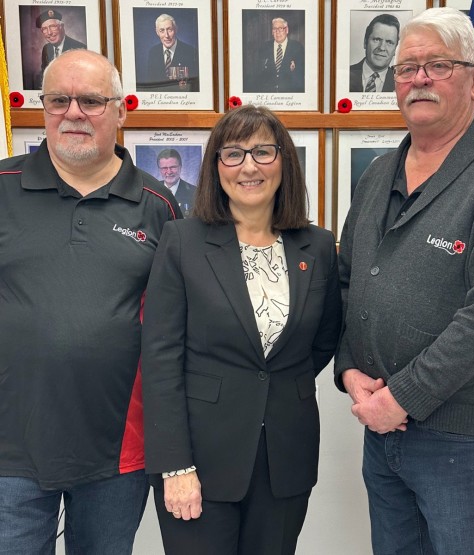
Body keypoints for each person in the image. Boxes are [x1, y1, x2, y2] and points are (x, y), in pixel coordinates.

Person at [335, 7, 474, 555]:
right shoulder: (378, 173)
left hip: (457, 441)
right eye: (407, 68)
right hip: (382, 433)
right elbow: (347, 282)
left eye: (438, 65)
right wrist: (347, 370)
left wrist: (403, 397)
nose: (419, 79)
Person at [0, 49, 181, 554]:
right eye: (59, 99)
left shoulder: (159, 205)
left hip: (116, 454)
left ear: (121, 111)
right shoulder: (1, 187)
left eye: (91, 101)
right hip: (9, 451)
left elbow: (176, 326)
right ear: (43, 108)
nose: (73, 113)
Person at [141, 105, 341, 555]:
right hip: (199, 464)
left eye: (263, 152)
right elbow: (160, 361)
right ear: (216, 167)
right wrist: (174, 466)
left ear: (284, 162)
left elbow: (323, 340)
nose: (249, 166)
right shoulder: (182, 242)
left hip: (285, 460)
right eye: (233, 154)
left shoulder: (319, 245)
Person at [140, 13, 199, 93]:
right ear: (157, 32)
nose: (166, 35)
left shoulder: (191, 52)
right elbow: (150, 86)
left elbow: (195, 87)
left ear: (176, 29)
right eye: (162, 31)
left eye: (169, 30)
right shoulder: (153, 52)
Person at [247, 17, 305, 93]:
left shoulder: (297, 48)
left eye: (281, 28)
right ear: (272, 32)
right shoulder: (264, 47)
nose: (277, 32)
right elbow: (258, 74)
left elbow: (300, 78)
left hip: (289, 95)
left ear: (286, 30)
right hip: (268, 94)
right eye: (275, 29)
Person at [349, 13, 399, 93]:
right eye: (377, 39)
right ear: (365, 42)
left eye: (389, 42)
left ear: (395, 49)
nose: (382, 48)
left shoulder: (401, 82)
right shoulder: (344, 75)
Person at [37, 9, 86, 75]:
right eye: (44, 29)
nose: (49, 32)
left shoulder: (80, 48)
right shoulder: (46, 48)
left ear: (61, 27)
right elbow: (44, 74)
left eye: (52, 26)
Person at [157, 148, 197, 217]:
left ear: (180, 167)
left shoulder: (195, 192)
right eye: (164, 168)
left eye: (173, 167)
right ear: (159, 169)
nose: (169, 172)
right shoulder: (152, 190)